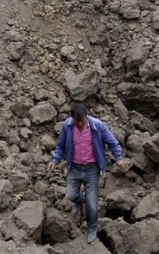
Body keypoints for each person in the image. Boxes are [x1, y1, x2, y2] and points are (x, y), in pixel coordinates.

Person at [47, 104, 128, 244]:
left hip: (92, 169)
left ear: (86, 116)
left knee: (92, 203)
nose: (79, 124)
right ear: (72, 118)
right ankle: (79, 200)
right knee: (71, 195)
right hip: (75, 167)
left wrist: (119, 159)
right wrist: (55, 160)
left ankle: (92, 228)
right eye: (76, 121)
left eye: (82, 121)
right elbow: (60, 146)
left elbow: (112, 142)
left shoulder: (98, 126)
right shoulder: (67, 126)